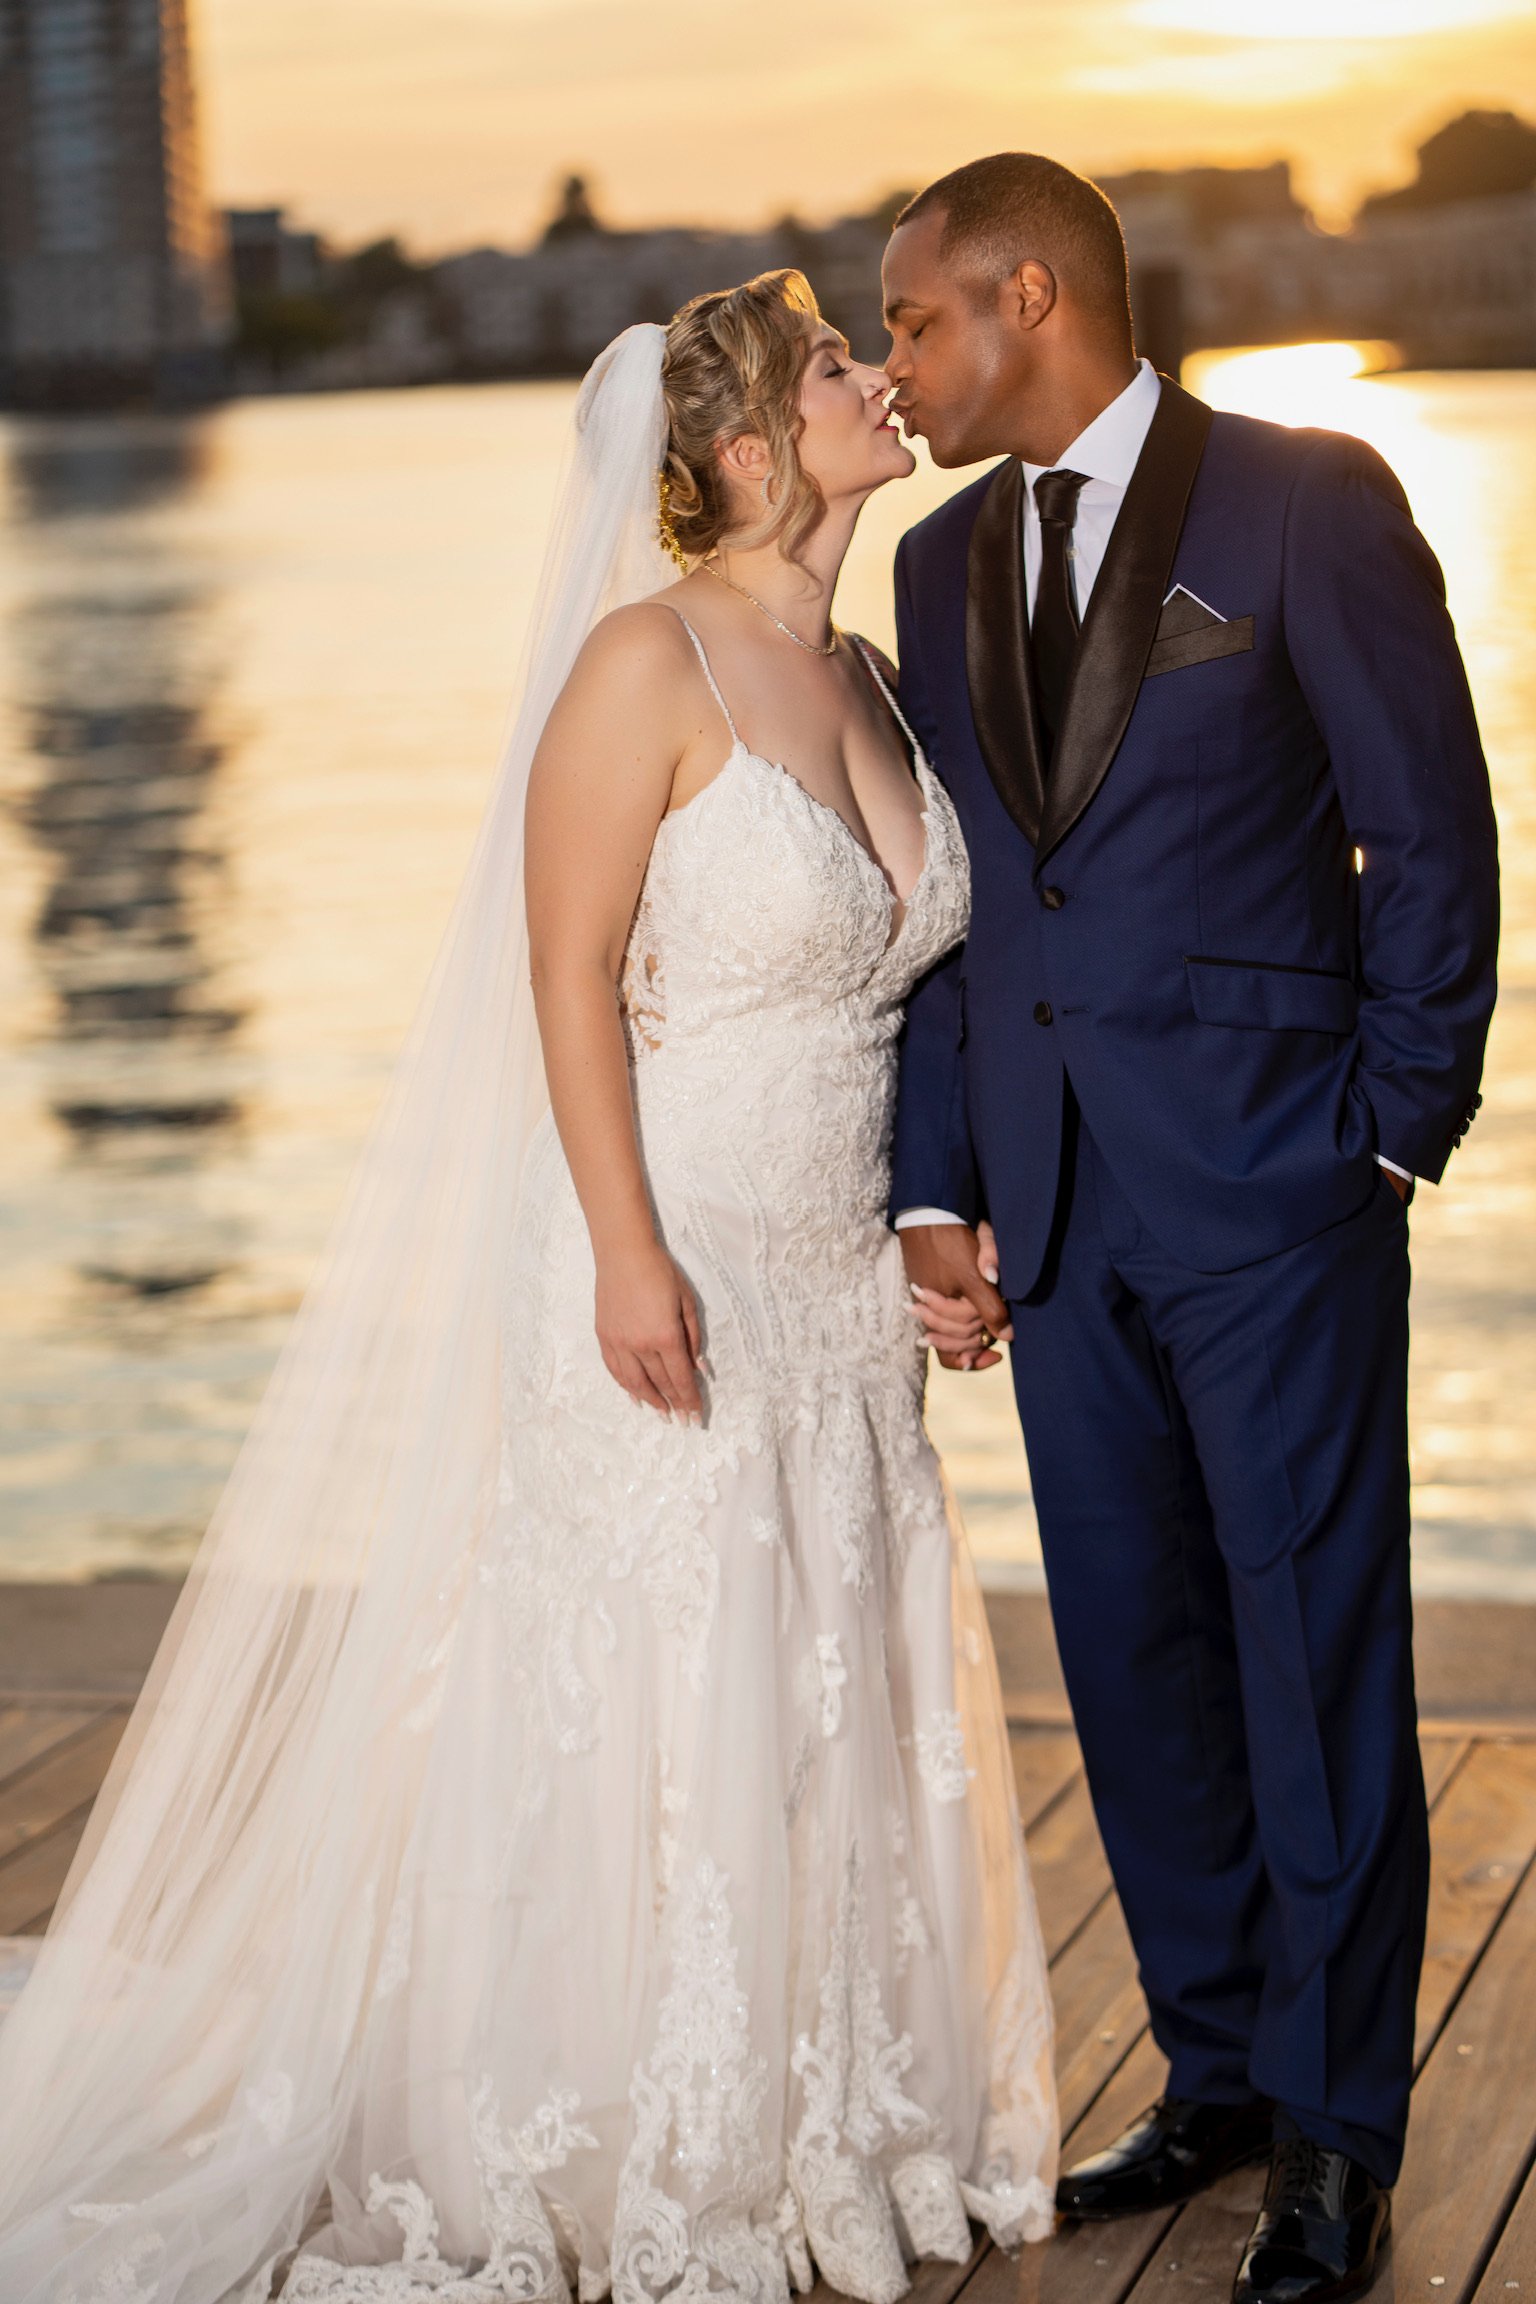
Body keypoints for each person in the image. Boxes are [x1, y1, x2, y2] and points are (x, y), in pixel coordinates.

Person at [0, 275, 1056, 2304]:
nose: (881, 381)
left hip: (840, 1276)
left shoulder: (867, 672)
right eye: (840, 369)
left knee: (824, 1675)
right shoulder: (643, 664)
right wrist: (626, 1252)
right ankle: (626, 2128)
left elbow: (920, 996)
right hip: (667, 1252)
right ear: (747, 450)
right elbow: (563, 971)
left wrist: (945, 1218)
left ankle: (825, 2116)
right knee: (666, 1680)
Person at [884, 152, 1498, 2304]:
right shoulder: (936, 563)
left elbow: (1431, 833)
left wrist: (1390, 1134)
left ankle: (1337, 2131)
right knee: (1136, 1665)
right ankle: (1220, 2067)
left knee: (1312, 1661)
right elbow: (960, 914)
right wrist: (939, 1178)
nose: (896, 366)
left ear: (1029, 298)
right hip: (1056, 1215)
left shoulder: (1306, 502)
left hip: (1279, 1193)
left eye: (916, 321)